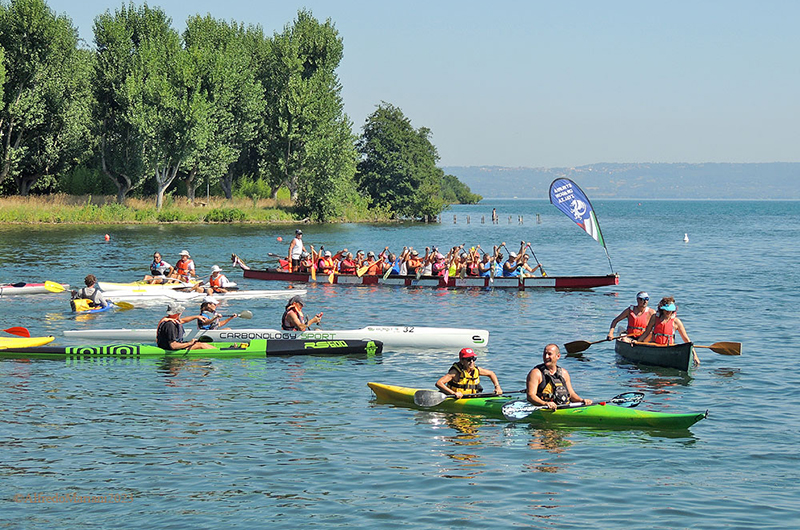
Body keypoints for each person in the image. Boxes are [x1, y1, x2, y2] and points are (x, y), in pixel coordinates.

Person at [526, 344, 592, 410]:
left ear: (558, 356)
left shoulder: (564, 373)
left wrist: (581, 400)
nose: (546, 357)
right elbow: (530, 396)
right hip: (544, 408)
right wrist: (545, 403)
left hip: (562, 407)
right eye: (545, 354)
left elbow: (571, 394)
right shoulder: (536, 373)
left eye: (549, 354)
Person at [639, 296, 700, 365]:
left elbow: (686, 340)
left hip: (669, 347)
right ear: (662, 309)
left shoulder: (676, 322)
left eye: (670, 310)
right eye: (666, 310)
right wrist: (637, 342)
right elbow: (646, 332)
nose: (668, 312)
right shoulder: (654, 318)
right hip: (655, 346)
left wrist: (695, 355)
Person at [436, 347, 502, 399]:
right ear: (462, 360)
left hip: (473, 397)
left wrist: (497, 387)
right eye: (468, 359)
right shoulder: (455, 372)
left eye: (473, 359)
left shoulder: (477, 370)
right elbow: (439, 383)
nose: (471, 362)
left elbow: (491, 374)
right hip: (457, 398)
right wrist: (453, 393)